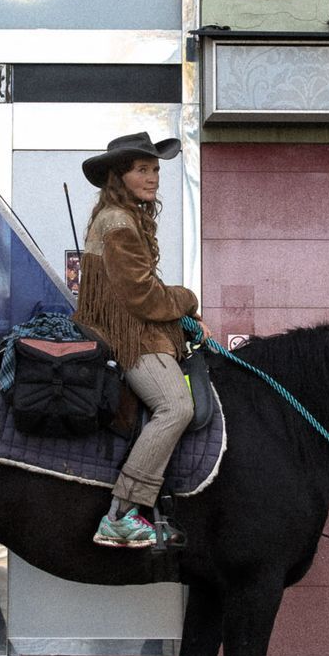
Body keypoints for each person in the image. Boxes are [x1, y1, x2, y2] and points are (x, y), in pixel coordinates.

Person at [74, 132, 201, 548]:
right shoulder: (119, 224)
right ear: (120, 175)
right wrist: (187, 298)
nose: (152, 178)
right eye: (142, 170)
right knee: (175, 406)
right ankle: (121, 514)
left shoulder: (123, 217)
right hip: (126, 335)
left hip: (130, 326)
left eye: (156, 170)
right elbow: (142, 297)